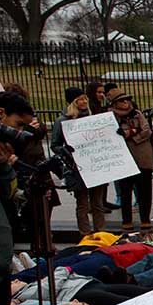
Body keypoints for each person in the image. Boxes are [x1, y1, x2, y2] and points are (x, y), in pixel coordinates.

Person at [50, 88, 106, 237]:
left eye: (85, 98)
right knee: (82, 203)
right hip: (76, 168)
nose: (84, 102)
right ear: (73, 102)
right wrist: (66, 151)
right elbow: (54, 144)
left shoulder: (92, 118)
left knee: (97, 203)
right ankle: (85, 233)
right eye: (80, 99)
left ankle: (101, 232)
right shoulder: (62, 121)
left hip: (95, 165)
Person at [105, 88, 153, 230]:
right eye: (121, 100)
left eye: (127, 99)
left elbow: (147, 131)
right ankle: (127, 221)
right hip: (124, 159)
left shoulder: (137, 114)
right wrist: (134, 132)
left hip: (142, 158)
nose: (125, 102)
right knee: (125, 192)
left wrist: (130, 134)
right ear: (114, 103)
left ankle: (145, 219)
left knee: (145, 190)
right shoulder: (111, 118)